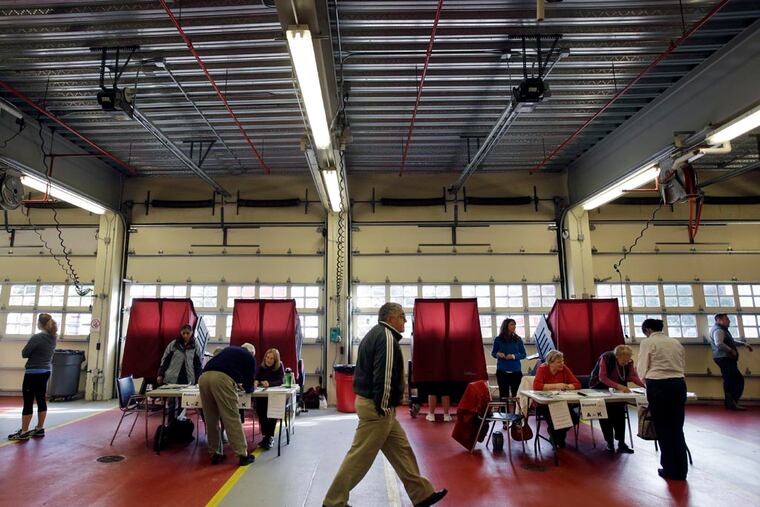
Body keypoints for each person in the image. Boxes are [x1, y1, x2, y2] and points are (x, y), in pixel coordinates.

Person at [323, 302, 447, 507]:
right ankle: (333, 502)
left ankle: (421, 494)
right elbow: (384, 375)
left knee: (402, 450)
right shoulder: (387, 338)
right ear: (390, 319)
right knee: (359, 457)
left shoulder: (376, 334)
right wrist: (383, 405)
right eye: (401, 316)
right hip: (378, 407)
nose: (405, 320)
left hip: (378, 406)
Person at [637, 318, 687, 481]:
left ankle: (669, 468)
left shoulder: (648, 342)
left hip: (658, 385)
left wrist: (645, 381)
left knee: (663, 428)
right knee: (677, 427)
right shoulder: (675, 342)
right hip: (678, 383)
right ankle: (681, 470)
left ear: (647, 330)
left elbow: (642, 366)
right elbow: (682, 364)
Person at [199, 342, 257, 466]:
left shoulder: (229, 350)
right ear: (252, 353)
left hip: (204, 377)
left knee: (211, 418)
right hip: (221, 379)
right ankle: (242, 455)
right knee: (231, 417)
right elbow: (249, 384)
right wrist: (250, 389)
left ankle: (215, 454)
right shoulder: (249, 357)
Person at [8, 314, 58, 441]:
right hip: (46, 371)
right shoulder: (53, 337)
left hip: (33, 372)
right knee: (41, 399)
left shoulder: (37, 337)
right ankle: (39, 428)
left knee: (28, 401)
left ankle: (24, 431)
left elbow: (24, 353)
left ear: (40, 324)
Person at [589, 344, 645, 453]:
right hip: (600, 387)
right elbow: (602, 377)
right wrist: (619, 386)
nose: (626, 362)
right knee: (606, 415)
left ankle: (621, 443)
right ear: (617, 356)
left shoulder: (629, 362)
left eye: (628, 360)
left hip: (617, 391)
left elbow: (632, 376)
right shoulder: (606, 358)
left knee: (619, 414)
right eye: (624, 360)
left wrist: (645, 386)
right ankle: (609, 443)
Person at [532, 350, 581, 448]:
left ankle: (555, 435)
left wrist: (569, 386)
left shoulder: (564, 369)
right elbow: (536, 386)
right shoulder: (542, 369)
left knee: (575, 419)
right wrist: (556, 386)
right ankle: (558, 438)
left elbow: (577, 384)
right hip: (545, 404)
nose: (562, 363)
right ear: (550, 363)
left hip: (561, 402)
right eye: (559, 362)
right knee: (556, 421)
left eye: (562, 361)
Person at [157, 324, 203, 422]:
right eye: (183, 333)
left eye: (188, 333)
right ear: (180, 333)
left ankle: (179, 422)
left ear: (191, 333)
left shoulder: (195, 346)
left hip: (187, 378)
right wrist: (160, 374)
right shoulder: (174, 344)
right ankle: (170, 423)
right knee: (171, 403)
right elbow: (165, 360)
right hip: (172, 377)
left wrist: (199, 377)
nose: (185, 335)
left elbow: (198, 364)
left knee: (183, 402)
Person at [710, 313, 753, 411]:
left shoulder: (721, 330)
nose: (729, 321)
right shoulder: (718, 330)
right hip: (724, 358)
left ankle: (730, 403)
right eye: (726, 319)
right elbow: (719, 343)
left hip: (725, 358)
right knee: (736, 380)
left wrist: (743, 344)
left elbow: (730, 341)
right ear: (719, 320)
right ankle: (732, 402)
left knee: (730, 380)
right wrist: (731, 350)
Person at [254, 348, 285, 450]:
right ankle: (265, 436)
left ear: (276, 360)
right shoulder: (261, 367)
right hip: (262, 396)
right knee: (261, 411)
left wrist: (270, 384)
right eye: (267, 357)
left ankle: (269, 436)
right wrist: (256, 382)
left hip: (274, 396)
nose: (269, 360)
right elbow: (256, 377)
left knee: (272, 413)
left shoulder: (279, 366)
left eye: (272, 358)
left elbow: (281, 381)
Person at [491, 318, 527, 400]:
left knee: (516, 395)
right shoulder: (498, 339)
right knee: (503, 395)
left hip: (516, 372)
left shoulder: (518, 339)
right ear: (505, 326)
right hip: (502, 372)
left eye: (515, 325)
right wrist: (498, 354)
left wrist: (514, 356)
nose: (514, 326)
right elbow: (493, 353)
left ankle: (516, 412)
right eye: (512, 324)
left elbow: (524, 354)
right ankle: (503, 412)